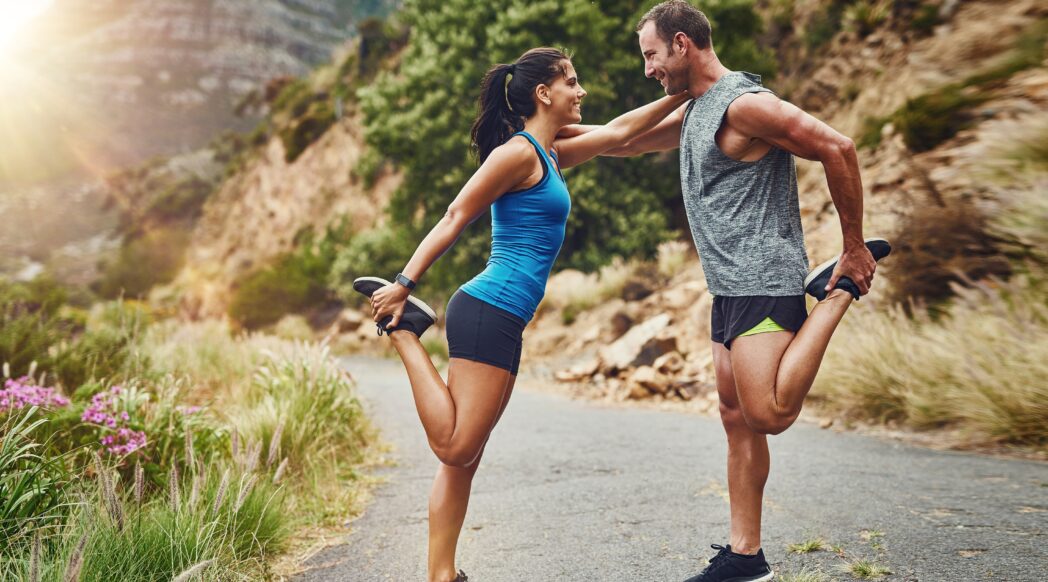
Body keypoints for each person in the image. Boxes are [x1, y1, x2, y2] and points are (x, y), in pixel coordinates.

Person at [565, 1, 892, 579]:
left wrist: (854, 247)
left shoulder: (744, 105)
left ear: (682, 45)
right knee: (734, 414)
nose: (648, 70)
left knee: (767, 413)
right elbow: (624, 142)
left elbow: (837, 147)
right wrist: (536, 133)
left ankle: (838, 293)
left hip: (765, 281)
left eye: (651, 55)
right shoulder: (698, 109)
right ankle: (746, 556)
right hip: (728, 290)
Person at [352, 47, 689, 582]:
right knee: (455, 444)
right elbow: (455, 214)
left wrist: (688, 93)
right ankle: (407, 332)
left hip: (507, 319)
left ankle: (443, 574)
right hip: (487, 307)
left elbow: (624, 133)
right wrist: (403, 284)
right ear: (544, 92)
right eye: (572, 82)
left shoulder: (553, 152)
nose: (581, 92)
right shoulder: (516, 154)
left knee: (466, 457)